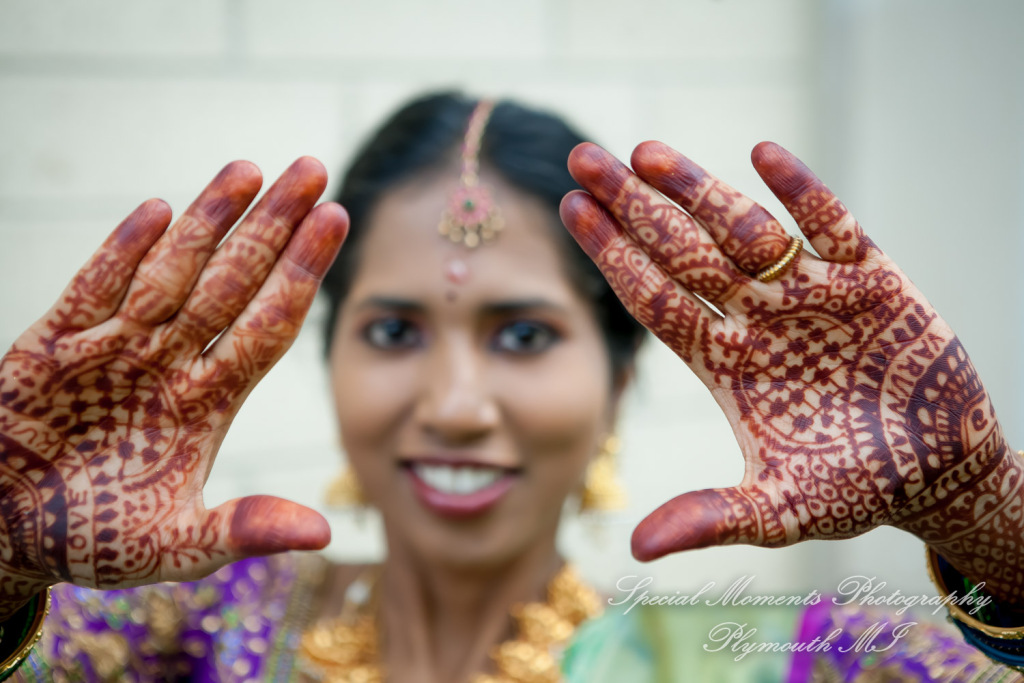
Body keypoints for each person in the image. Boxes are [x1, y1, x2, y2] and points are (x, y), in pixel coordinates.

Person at [0, 92, 1020, 682]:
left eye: (524, 334)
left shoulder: (775, 657)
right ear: (326, 352)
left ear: (620, 376)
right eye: (394, 329)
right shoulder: (180, 635)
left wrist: (989, 518)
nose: (454, 404)